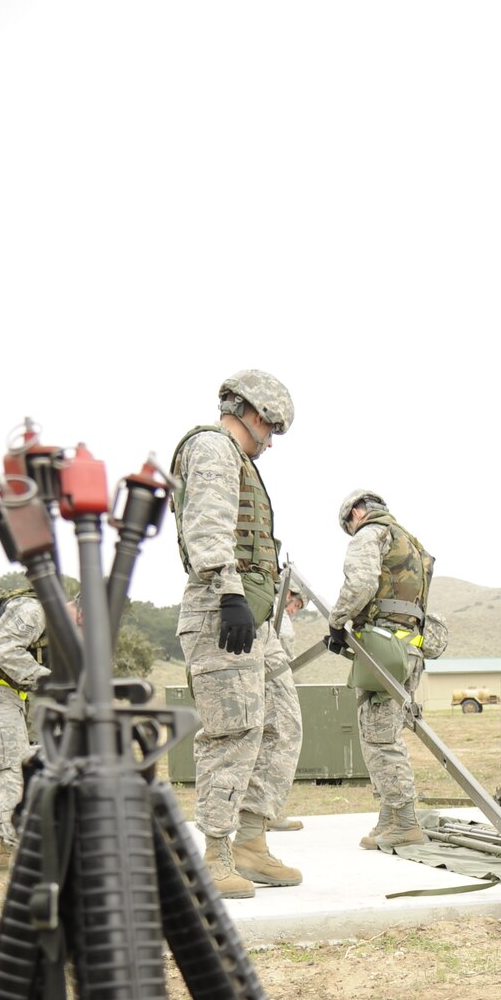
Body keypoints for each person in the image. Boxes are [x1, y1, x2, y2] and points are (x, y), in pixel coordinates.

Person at [171, 369, 301, 899]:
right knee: (233, 731)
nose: (271, 440)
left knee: (281, 725)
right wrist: (228, 591)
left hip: (258, 618)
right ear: (253, 413)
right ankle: (215, 853)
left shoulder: (239, 458)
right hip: (222, 608)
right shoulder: (213, 447)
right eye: (271, 428)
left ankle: (250, 841)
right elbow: (208, 521)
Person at [327, 490, 433, 851]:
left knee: (380, 739)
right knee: (381, 733)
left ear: (357, 512)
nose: (351, 529)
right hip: (409, 648)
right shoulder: (410, 542)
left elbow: (360, 584)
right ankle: (389, 817)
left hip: (384, 648)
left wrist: (336, 620)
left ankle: (404, 821)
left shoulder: (370, 535)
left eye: (348, 524)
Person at [0, 583, 48, 868]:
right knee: (10, 773)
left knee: (1, 771)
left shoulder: (27, 606)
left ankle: (7, 849)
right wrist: (46, 681)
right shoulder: (35, 609)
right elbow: (3, 650)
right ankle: (24, 854)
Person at [268, 575, 306, 832]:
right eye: (296, 605)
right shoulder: (276, 614)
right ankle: (268, 810)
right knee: (287, 736)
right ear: (288, 594)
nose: (293, 611)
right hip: (273, 678)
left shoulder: (262, 606)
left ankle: (260, 813)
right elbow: (284, 652)